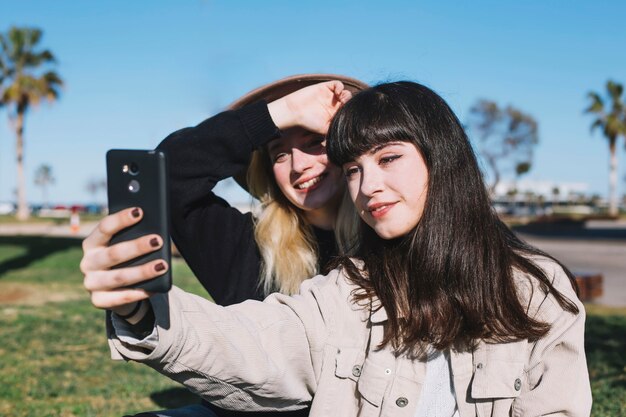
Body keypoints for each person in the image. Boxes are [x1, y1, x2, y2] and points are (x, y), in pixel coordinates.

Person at [87, 81, 592, 417]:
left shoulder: (534, 290)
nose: (368, 183)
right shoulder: (345, 285)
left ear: (442, 158)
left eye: (388, 158)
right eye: (355, 168)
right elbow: (262, 342)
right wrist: (141, 307)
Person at [81, 75, 366, 417]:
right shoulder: (246, 243)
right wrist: (280, 112)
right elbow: (167, 175)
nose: (298, 165)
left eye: (315, 142)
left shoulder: (387, 243)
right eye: (279, 154)